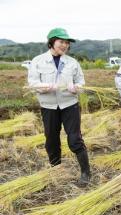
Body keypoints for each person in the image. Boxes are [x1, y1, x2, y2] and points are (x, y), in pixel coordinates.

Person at [28, 28, 90, 187]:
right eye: (61, 42)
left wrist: (76, 87)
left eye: (67, 43)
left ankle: (85, 172)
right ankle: (56, 169)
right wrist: (45, 87)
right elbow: (33, 84)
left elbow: (81, 83)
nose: (65, 45)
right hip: (48, 106)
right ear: (51, 42)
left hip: (70, 104)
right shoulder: (38, 61)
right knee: (51, 139)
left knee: (74, 139)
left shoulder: (72, 62)